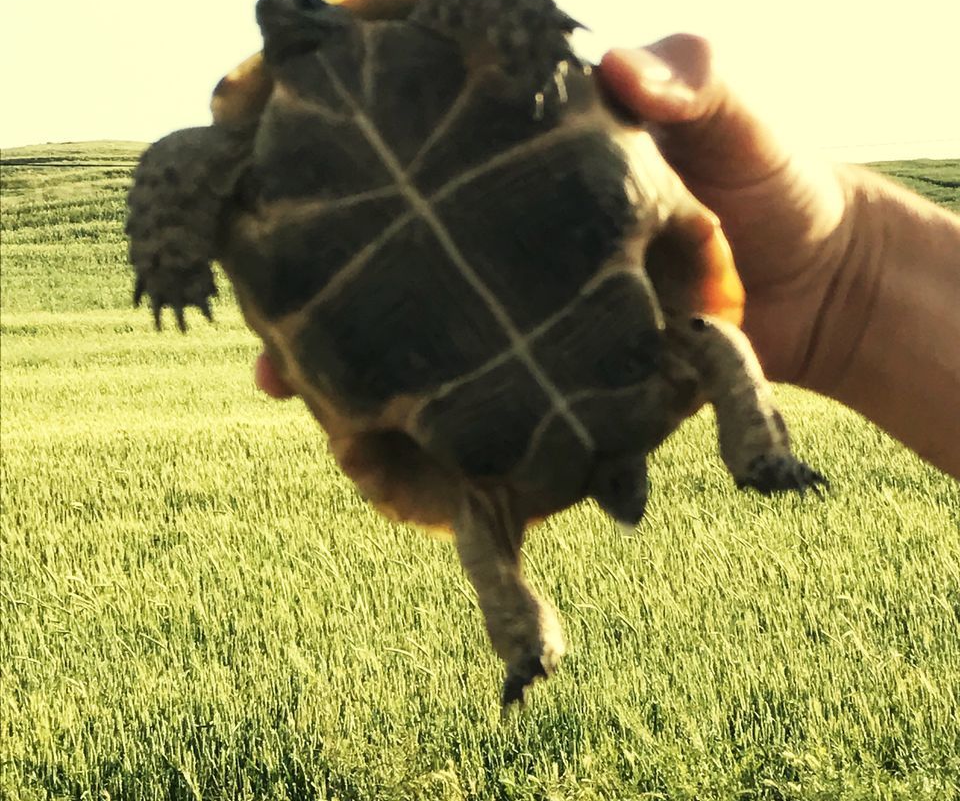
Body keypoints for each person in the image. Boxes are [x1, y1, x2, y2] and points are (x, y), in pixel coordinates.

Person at [255, 35, 960, 480]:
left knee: (711, 338)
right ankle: (524, 619)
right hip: (456, 345)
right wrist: (845, 274)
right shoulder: (268, 137)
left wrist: (843, 275)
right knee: (711, 340)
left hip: (589, 260)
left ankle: (759, 450)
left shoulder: (434, 33)